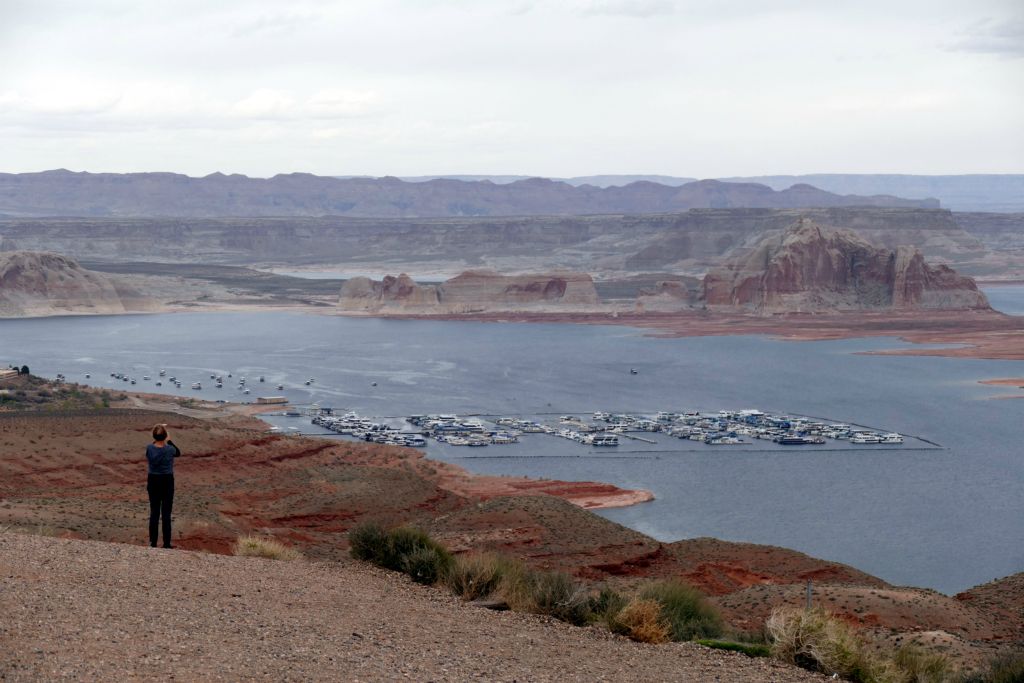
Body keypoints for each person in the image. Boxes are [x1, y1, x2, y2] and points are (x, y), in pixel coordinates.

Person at [145, 424, 180, 548]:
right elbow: (178, 453)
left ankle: (153, 542)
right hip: (167, 481)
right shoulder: (170, 449)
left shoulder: (149, 448)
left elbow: (154, 446)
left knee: (154, 512)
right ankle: (166, 543)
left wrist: (158, 432)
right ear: (165, 436)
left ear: (154, 436)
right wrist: (169, 440)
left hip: (153, 481)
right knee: (166, 513)